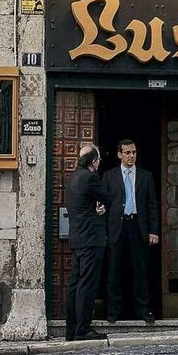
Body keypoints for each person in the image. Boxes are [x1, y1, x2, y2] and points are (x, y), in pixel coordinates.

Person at [105, 138, 159, 325]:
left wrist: (153, 230)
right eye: (127, 152)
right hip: (117, 227)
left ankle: (144, 310)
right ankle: (113, 311)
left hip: (138, 226)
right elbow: (104, 205)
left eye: (134, 152)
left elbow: (152, 205)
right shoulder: (109, 176)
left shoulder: (146, 176)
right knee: (114, 270)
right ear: (119, 154)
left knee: (141, 270)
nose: (131, 156)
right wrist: (105, 232)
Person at [65, 144, 112, 341]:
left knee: (75, 284)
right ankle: (83, 328)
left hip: (76, 237)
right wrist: (101, 208)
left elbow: (83, 205)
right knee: (87, 284)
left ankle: (72, 329)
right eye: (98, 159)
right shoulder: (91, 178)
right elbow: (108, 198)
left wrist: (95, 208)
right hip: (91, 238)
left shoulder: (72, 178)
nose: (99, 162)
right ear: (94, 161)